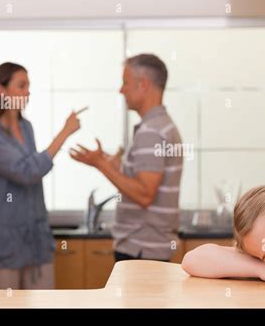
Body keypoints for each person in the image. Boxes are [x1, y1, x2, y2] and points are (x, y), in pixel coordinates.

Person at [0, 62, 82, 289]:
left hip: (35, 236)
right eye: (22, 86)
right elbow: (27, 172)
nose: (28, 92)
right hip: (2, 239)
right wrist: (64, 133)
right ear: (1, 90)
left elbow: (35, 168)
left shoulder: (27, 127)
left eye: (28, 86)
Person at [70, 54, 183, 262]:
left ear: (144, 85)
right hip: (149, 247)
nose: (121, 90)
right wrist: (114, 164)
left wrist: (101, 165)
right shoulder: (162, 126)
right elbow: (144, 179)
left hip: (141, 248)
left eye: (125, 83)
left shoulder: (151, 131)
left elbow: (144, 195)